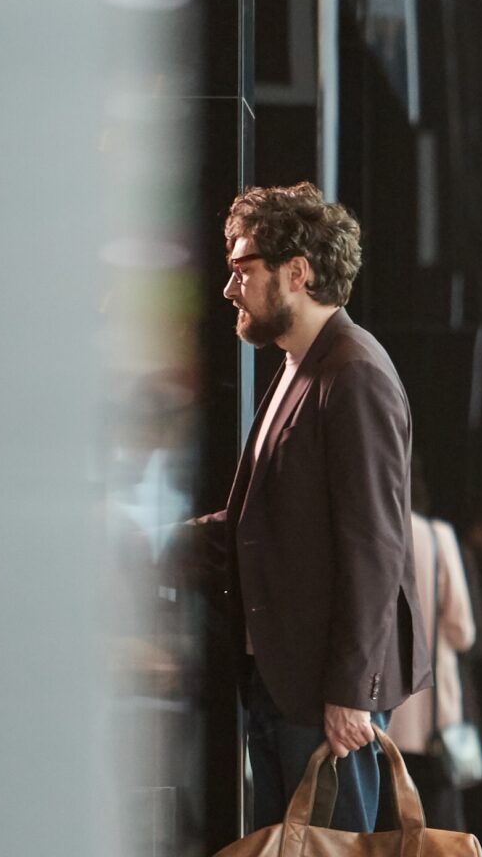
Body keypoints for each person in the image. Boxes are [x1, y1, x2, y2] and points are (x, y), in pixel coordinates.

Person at [187, 183, 428, 833]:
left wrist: (351, 695)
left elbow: (376, 548)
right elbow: (256, 525)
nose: (229, 289)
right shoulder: (302, 366)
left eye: (243, 269)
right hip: (283, 681)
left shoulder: (352, 375)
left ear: (297, 273)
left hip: (323, 695)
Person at [388, 474, 476, 831]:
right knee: (435, 829)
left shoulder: (372, 532)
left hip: (383, 716)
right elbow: (463, 631)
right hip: (432, 717)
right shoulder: (438, 537)